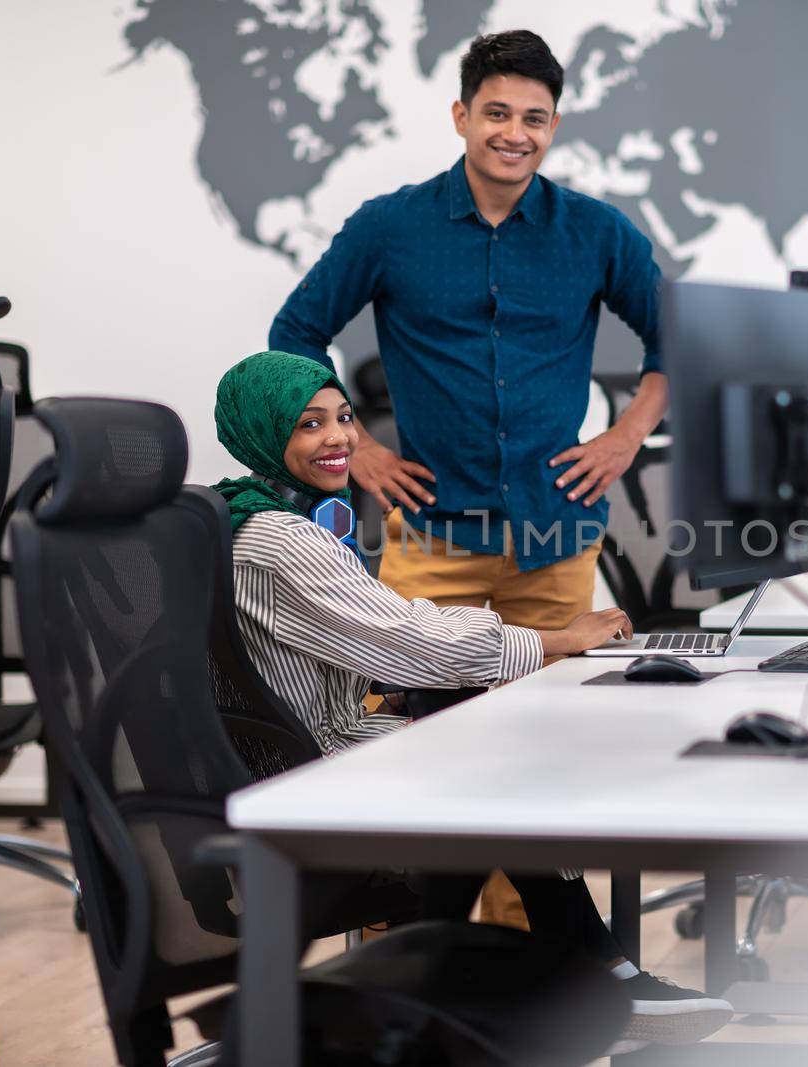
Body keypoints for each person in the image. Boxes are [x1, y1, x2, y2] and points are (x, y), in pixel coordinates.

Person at [211, 351, 733, 1051]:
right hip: (308, 773)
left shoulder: (241, 512)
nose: (337, 438)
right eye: (309, 425)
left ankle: (550, 981)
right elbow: (415, 638)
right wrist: (555, 639)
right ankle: (579, 981)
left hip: (284, 752)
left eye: (342, 418)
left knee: (478, 739)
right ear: (261, 430)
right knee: (496, 765)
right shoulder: (281, 537)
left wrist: (431, 668)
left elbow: (349, 639)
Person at [268, 29, 667, 926]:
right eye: (497, 112)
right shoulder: (391, 227)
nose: (514, 132)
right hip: (431, 539)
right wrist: (357, 449)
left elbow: (676, 342)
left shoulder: (597, 233)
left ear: (554, 126)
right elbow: (293, 333)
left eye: (534, 117)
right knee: (414, 760)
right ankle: (394, 974)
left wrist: (627, 436)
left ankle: (525, 982)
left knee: (534, 765)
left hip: (555, 538)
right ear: (461, 116)